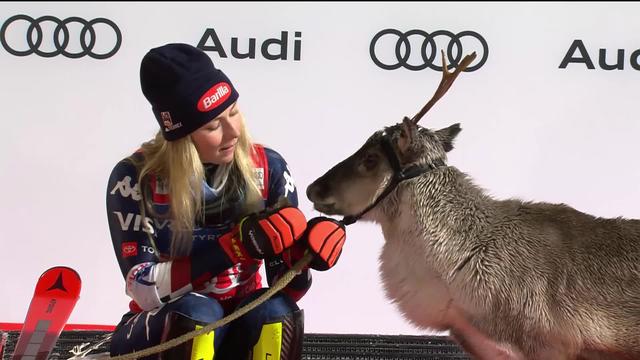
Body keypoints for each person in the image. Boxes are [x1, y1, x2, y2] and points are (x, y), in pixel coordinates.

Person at [106, 43, 346, 359]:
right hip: (163, 325)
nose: (233, 131)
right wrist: (235, 246)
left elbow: (287, 292)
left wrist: (302, 259)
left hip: (239, 320)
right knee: (196, 313)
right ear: (181, 135)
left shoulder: (268, 168)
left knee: (276, 313)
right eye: (213, 125)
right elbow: (144, 290)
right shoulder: (134, 178)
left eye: (233, 111)